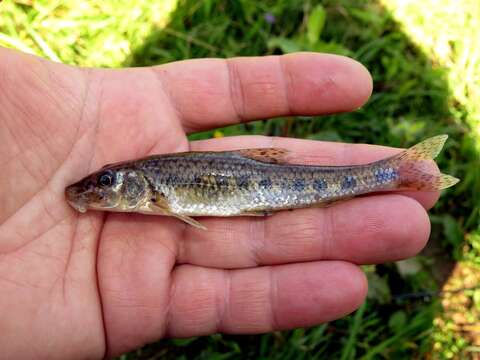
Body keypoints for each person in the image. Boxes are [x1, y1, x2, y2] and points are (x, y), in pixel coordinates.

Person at [0, 47, 437, 359]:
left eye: (109, 182)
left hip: (265, 184)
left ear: (136, 185)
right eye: (106, 183)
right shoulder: (144, 189)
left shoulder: (156, 190)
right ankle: (394, 172)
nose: (101, 191)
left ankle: (393, 172)